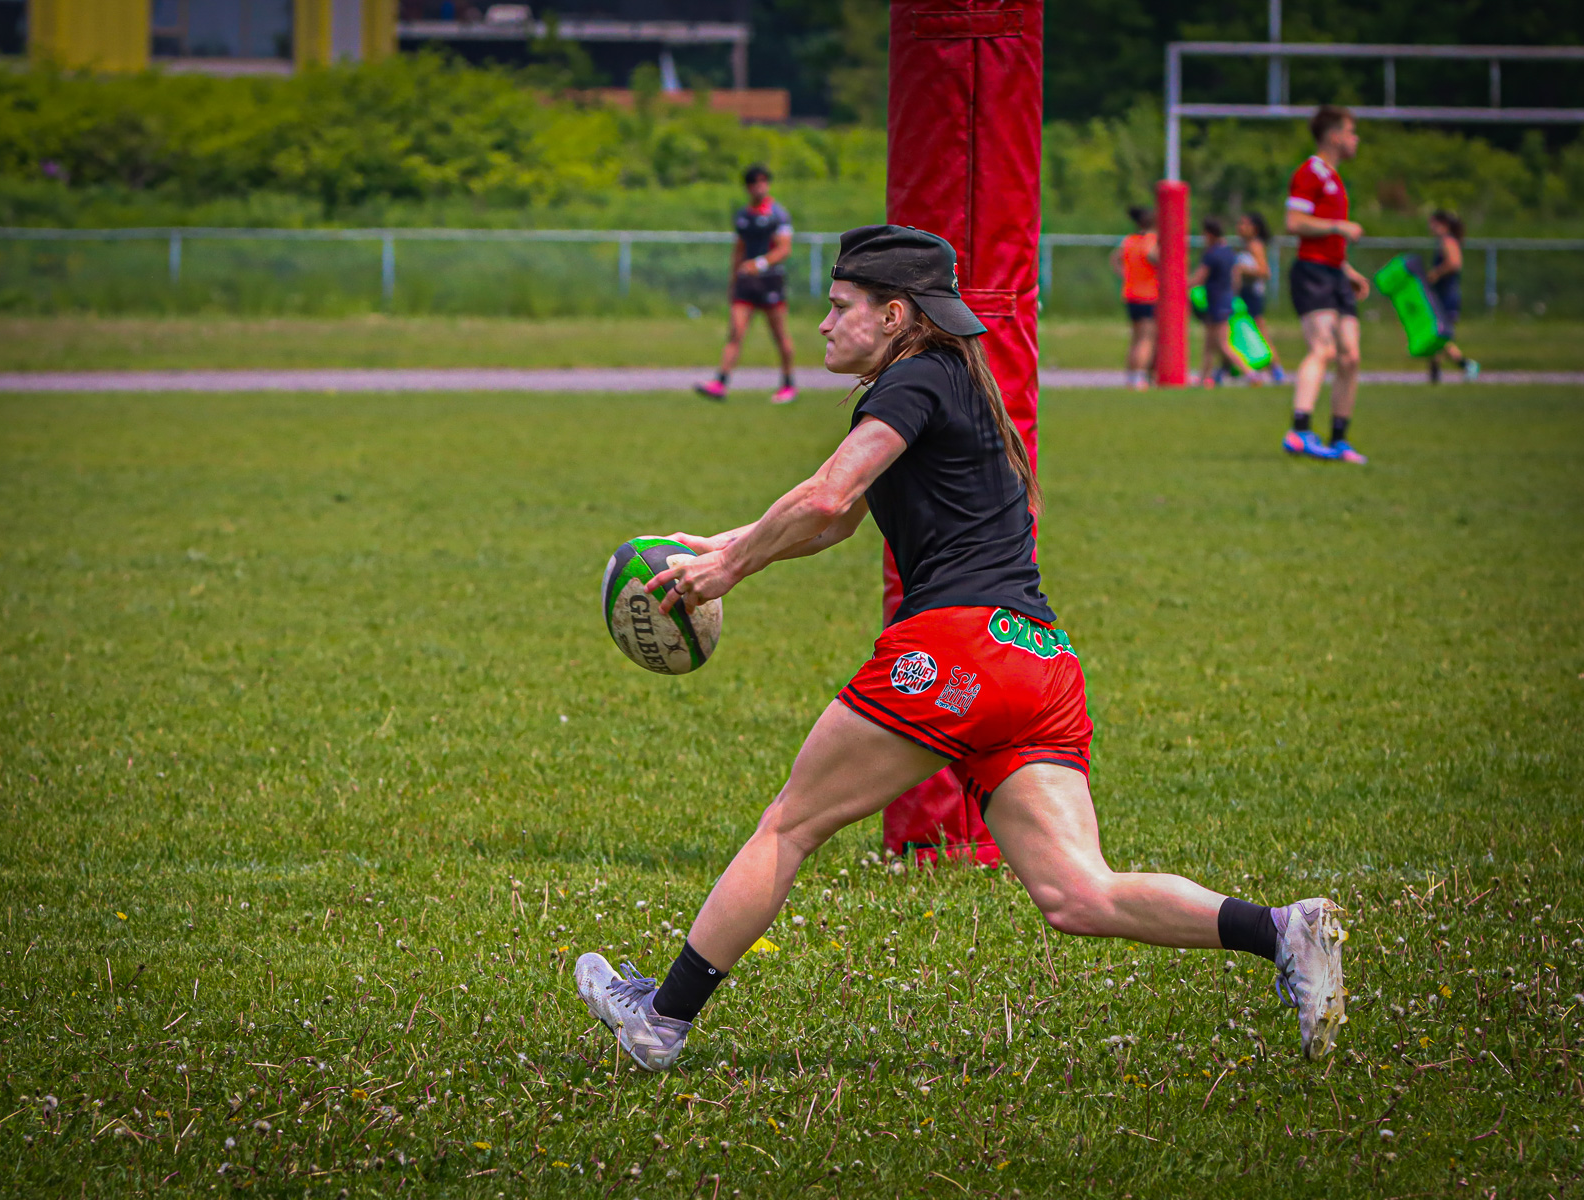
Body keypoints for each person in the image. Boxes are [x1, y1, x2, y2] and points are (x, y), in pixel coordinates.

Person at [574, 225, 1349, 1073]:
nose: (825, 323)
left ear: (894, 314)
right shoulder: (952, 383)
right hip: (1038, 661)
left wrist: (730, 566)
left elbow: (829, 490)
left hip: (958, 650)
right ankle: (1281, 931)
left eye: (839, 307)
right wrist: (719, 545)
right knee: (1076, 892)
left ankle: (662, 1018)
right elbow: (836, 518)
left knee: (791, 825)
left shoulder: (912, 381)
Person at [1283, 104, 1370, 464]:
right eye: (1351, 132)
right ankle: (1300, 431)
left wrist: (1346, 269)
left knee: (1350, 356)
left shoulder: (1335, 178)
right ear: (1334, 136)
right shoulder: (1311, 172)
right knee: (1323, 349)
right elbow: (1294, 222)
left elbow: (1325, 236)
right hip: (1312, 272)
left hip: (1333, 271)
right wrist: (1338, 227)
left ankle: (1338, 439)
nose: (1355, 139)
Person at [696, 164, 798, 405]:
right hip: (745, 282)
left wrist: (759, 264)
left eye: (763, 181)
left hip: (770, 280)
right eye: (754, 183)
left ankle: (788, 384)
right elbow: (739, 249)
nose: (759, 186)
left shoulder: (778, 214)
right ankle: (720, 382)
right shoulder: (743, 215)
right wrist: (734, 280)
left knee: (780, 334)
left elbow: (784, 248)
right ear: (748, 187)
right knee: (736, 332)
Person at [1189, 216, 1258, 386]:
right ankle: (1203, 378)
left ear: (1210, 234)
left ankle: (1251, 375)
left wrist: (1178, 284)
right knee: (1209, 344)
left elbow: (1199, 278)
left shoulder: (1211, 254)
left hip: (1216, 302)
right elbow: (1236, 279)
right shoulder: (1229, 252)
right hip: (1226, 300)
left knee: (1222, 344)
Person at [1425, 209, 1480, 384]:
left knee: (1440, 337)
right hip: (1440, 296)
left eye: (1433, 222)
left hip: (1447, 296)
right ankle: (1434, 374)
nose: (1430, 226)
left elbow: (1455, 263)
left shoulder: (1448, 241)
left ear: (1442, 224)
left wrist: (1436, 273)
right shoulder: (1444, 241)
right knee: (1434, 336)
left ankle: (1467, 365)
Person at [1236, 211, 1287, 383]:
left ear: (1254, 229)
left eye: (1245, 224)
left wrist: (1242, 269)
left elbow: (1265, 272)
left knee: (1260, 334)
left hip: (1253, 296)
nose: (1240, 227)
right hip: (1244, 294)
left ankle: (1276, 369)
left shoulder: (1254, 246)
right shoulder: (1246, 245)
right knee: (1238, 333)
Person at [1110, 206, 1159, 390]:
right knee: (1147, 338)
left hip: (1131, 294)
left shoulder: (1129, 240)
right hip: (1148, 295)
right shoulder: (1150, 240)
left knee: (1136, 337)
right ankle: (1139, 377)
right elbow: (1152, 256)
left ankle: (1131, 376)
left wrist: (1124, 274)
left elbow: (1115, 258)